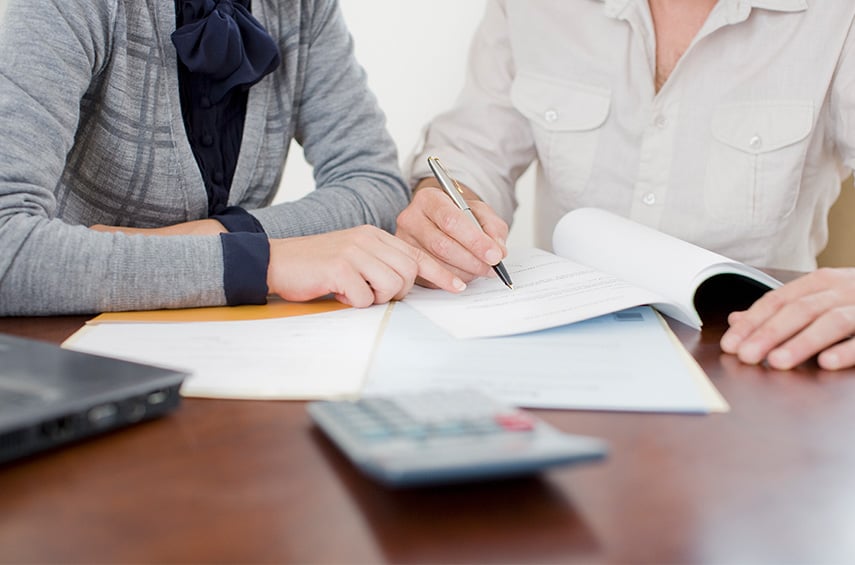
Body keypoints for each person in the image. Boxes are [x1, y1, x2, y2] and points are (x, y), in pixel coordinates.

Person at [395, 0, 855, 370]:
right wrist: (449, 207)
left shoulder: (838, 16)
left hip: (755, 355)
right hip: (564, 349)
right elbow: (472, 151)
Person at [0, 0, 464, 317]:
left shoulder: (302, 8)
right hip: (71, 351)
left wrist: (217, 236)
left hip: (227, 342)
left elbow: (375, 186)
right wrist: (262, 262)